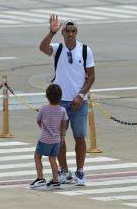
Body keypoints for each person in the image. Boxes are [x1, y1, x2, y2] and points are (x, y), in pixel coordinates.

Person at [39, 14, 95, 186]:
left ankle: (80, 171)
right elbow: (42, 48)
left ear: (76, 33)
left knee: (80, 137)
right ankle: (64, 171)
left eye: (73, 31)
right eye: (67, 31)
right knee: (59, 138)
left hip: (78, 102)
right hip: (60, 102)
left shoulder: (85, 50)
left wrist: (81, 95)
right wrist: (51, 32)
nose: (70, 34)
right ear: (63, 33)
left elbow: (91, 76)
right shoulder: (58, 49)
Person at [29, 84, 68, 189]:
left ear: (47, 96)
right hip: (56, 139)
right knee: (53, 159)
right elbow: (64, 124)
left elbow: (38, 120)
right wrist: (62, 135)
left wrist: (43, 129)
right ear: (60, 97)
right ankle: (55, 181)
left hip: (45, 138)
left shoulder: (44, 108)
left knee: (37, 157)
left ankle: (40, 178)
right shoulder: (62, 110)